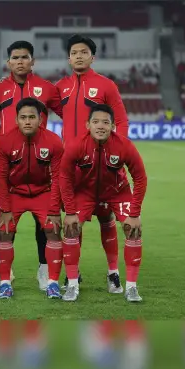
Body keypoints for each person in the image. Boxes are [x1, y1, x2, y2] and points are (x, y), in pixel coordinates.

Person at [56, 34, 130, 290]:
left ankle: (113, 273)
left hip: (101, 164)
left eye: (84, 52)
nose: (79, 56)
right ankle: (73, 274)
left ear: (92, 57)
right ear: (69, 58)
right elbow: (35, 102)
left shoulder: (106, 85)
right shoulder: (61, 87)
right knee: (73, 221)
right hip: (72, 166)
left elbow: (121, 121)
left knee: (106, 218)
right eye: (74, 52)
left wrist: (116, 152)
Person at [0, 40, 64, 292]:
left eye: (25, 57)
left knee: (45, 227)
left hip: (40, 167)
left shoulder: (48, 88)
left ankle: (45, 271)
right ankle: (5, 275)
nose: (20, 61)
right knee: (5, 226)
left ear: (33, 61)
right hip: (10, 164)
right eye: (15, 57)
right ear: (8, 62)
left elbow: (69, 114)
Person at [59, 104, 147, 302]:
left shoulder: (124, 145)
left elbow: (140, 178)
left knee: (133, 229)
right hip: (85, 192)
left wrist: (134, 214)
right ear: (87, 125)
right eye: (96, 122)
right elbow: (64, 177)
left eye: (105, 122)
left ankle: (129, 286)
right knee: (71, 228)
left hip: (117, 192)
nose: (100, 126)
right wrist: (70, 211)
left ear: (113, 126)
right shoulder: (76, 145)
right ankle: (72, 284)